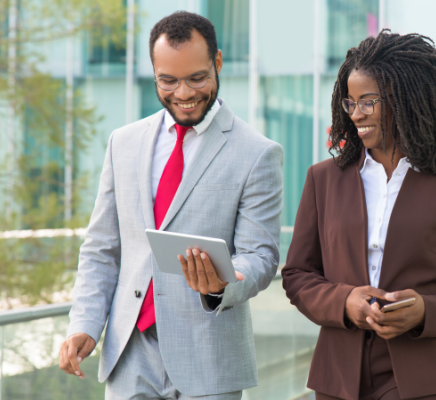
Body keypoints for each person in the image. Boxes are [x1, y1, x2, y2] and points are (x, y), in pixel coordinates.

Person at [57, 11, 284, 400]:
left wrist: (223, 282)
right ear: (154, 72)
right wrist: (84, 325)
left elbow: (260, 256)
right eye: (169, 80)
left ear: (218, 63)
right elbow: (102, 249)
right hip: (129, 355)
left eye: (197, 78)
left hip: (209, 359)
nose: (183, 93)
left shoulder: (257, 153)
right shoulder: (123, 143)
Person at [281, 31, 436, 400]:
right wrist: (344, 301)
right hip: (338, 377)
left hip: (426, 378)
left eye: (368, 102)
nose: (356, 115)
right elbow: (298, 275)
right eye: (350, 103)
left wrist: (425, 311)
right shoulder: (322, 180)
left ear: (407, 99)